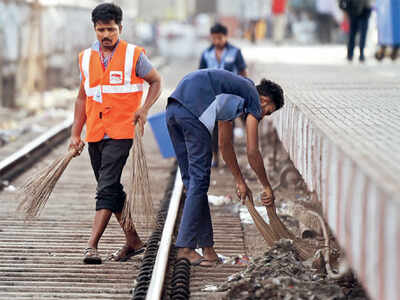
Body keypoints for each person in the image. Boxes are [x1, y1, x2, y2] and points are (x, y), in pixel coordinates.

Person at [68, 3, 162, 264]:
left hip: (122, 132)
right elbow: (81, 98)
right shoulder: (86, 58)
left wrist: (144, 108)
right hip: (96, 132)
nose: (106, 34)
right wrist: (76, 134)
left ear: (121, 28)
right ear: (95, 29)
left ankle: (91, 245)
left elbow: (156, 81)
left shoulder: (134, 55)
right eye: (101, 30)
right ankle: (133, 241)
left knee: (106, 187)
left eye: (111, 29)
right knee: (110, 188)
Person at [166, 69, 284, 267]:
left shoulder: (234, 94)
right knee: (200, 182)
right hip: (193, 113)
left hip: (173, 110)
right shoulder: (253, 98)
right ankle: (185, 248)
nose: (263, 116)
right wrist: (266, 186)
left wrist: (240, 180)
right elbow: (253, 150)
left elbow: (224, 144)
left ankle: (208, 250)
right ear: (264, 100)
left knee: (193, 183)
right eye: (268, 112)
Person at [199, 23, 247, 168]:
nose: (217, 41)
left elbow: (242, 72)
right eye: (214, 38)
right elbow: (200, 74)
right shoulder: (206, 53)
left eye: (220, 38)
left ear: (226, 36)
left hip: (230, 97)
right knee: (213, 129)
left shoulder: (235, 52)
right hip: (212, 97)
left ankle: (228, 158)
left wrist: (242, 91)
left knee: (228, 128)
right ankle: (215, 158)